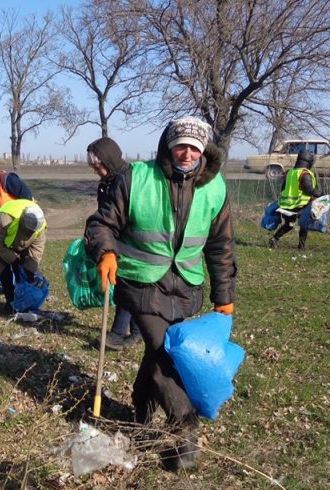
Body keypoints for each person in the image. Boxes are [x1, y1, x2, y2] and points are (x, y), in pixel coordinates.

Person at [84, 116, 237, 471]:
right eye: (180, 145)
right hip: (139, 283)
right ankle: (186, 434)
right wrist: (105, 251)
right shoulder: (137, 177)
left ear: (204, 151)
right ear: (168, 146)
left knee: (156, 356)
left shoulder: (215, 189)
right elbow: (101, 224)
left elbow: (221, 246)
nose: (186, 153)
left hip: (184, 286)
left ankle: (140, 421)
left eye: (194, 147)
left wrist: (224, 295)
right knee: (168, 353)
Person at [84, 137, 141, 351]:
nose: (97, 171)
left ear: (108, 161)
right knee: (127, 287)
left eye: (99, 167)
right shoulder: (107, 182)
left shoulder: (128, 179)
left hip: (132, 241)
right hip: (115, 240)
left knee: (126, 288)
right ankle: (136, 333)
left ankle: (119, 334)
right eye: (94, 168)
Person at [0, 199, 46, 311]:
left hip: (18, 244)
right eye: (28, 231)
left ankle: (24, 302)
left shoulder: (40, 226)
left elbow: (36, 252)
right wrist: (14, 260)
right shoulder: (5, 218)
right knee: (4, 274)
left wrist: (29, 272)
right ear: (23, 221)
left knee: (26, 273)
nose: (29, 233)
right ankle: (10, 303)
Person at [268, 149, 323, 250]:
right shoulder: (305, 174)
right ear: (308, 161)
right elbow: (308, 189)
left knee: (289, 225)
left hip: (287, 205)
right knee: (304, 225)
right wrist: (321, 194)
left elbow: (283, 188)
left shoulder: (290, 172)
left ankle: (274, 239)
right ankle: (301, 247)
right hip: (300, 206)